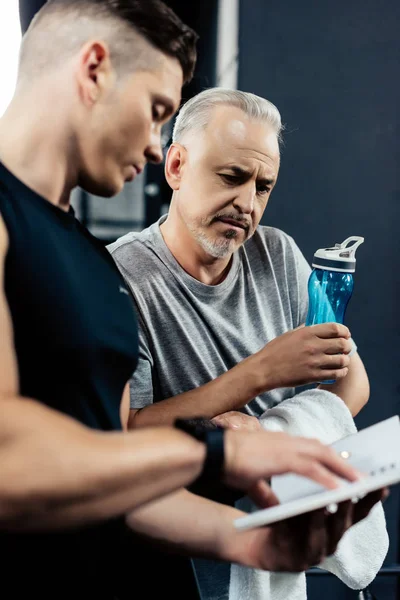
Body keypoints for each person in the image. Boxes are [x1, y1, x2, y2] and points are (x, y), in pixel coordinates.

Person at [0, 1, 384, 597]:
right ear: (95, 68)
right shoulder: (92, 259)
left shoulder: (85, 261)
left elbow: (114, 477)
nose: (156, 149)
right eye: (157, 111)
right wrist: (219, 450)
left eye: (264, 186)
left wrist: (247, 538)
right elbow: (23, 456)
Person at [107, 88, 375, 597]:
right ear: (177, 166)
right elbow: (126, 434)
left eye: (264, 186)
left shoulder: (279, 253)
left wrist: (273, 435)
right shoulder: (119, 277)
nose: (247, 204)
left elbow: (353, 382)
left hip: (280, 548)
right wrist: (259, 374)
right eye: (231, 177)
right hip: (173, 561)